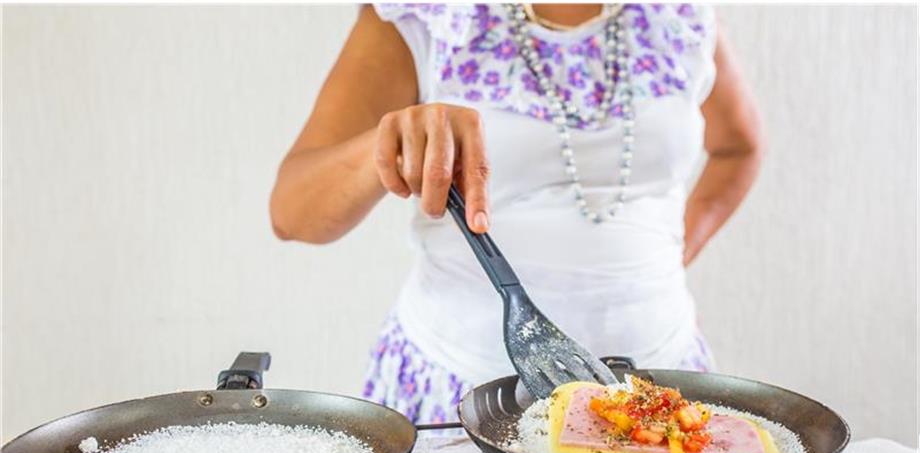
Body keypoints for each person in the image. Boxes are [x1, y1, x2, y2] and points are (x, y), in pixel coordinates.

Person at [270, 4, 763, 425]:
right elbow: (293, 214)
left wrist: (669, 256)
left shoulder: (679, 14)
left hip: (664, 380)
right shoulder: (425, 16)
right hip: (463, 392)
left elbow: (739, 148)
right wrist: (388, 143)